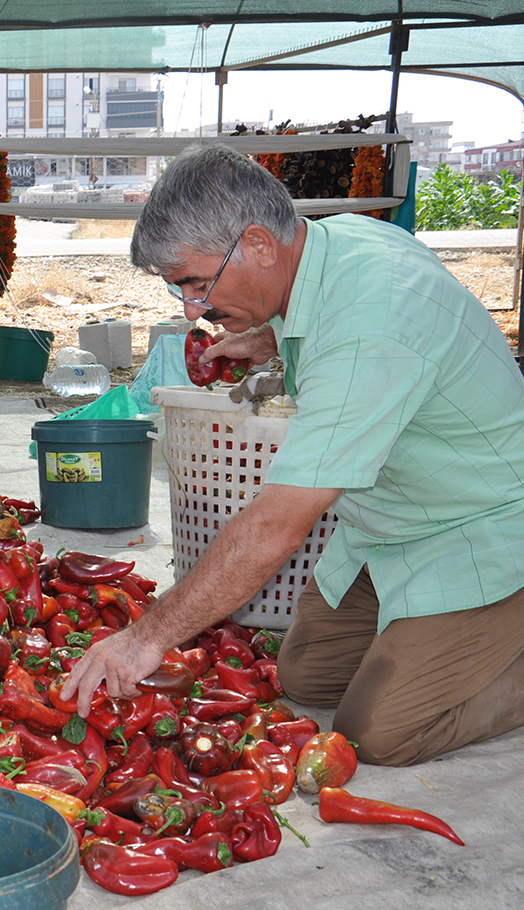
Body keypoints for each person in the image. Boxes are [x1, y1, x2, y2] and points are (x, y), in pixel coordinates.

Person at [64, 142, 524, 767]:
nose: (194, 308)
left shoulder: (373, 317)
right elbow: (341, 331)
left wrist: (147, 638)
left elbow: (278, 522)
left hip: (477, 528)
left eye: (196, 283)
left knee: (380, 732)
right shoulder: (335, 246)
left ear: (256, 244)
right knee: (308, 678)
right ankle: (445, 643)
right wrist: (272, 339)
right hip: (390, 523)